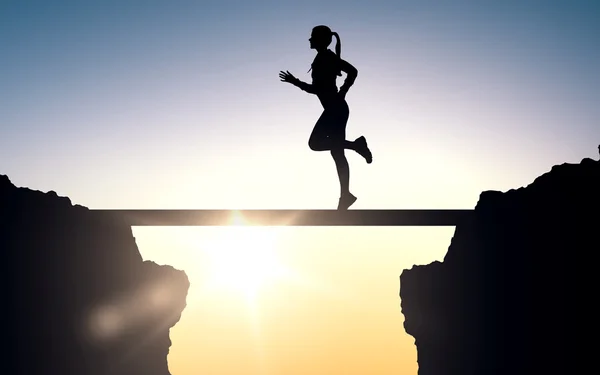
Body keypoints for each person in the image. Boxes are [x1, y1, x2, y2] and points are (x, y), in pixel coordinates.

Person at [279, 25, 372, 210]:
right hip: (334, 109)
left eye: (312, 36)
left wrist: (343, 92)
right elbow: (318, 89)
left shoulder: (328, 58)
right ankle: (346, 194)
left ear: (321, 39)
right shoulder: (321, 58)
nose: (309, 40)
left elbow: (353, 71)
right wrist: (295, 82)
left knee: (316, 144)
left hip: (336, 109)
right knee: (336, 152)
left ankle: (356, 148)